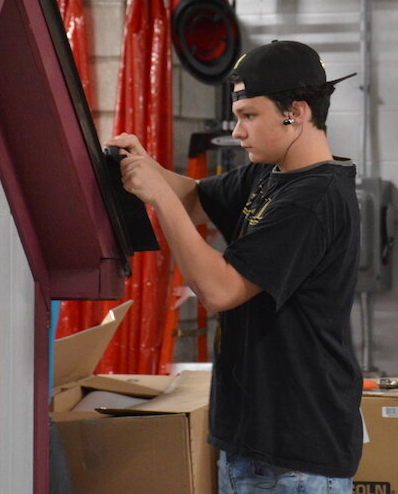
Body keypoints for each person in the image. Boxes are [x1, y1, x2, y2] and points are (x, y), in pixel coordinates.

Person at [106, 40, 363, 493]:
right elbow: (197, 199)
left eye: (249, 116)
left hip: (291, 455)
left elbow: (221, 290)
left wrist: (158, 196)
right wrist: (141, 166)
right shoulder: (271, 171)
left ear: (296, 112)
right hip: (252, 442)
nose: (238, 132)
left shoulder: (314, 199)